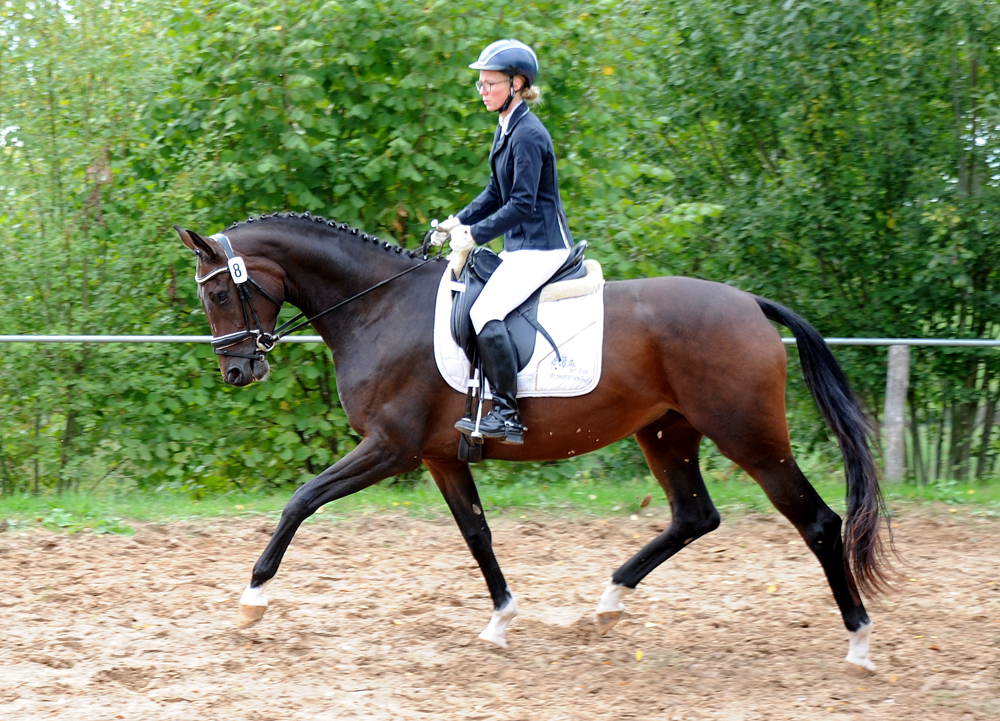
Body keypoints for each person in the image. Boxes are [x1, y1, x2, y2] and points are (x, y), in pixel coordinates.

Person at [435, 39, 574, 445]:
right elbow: (495, 193)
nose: (482, 90)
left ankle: (508, 415)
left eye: (489, 83)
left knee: (484, 312)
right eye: (479, 84)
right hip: (520, 246)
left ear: (516, 83)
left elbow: (522, 203)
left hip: (542, 248)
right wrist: (455, 221)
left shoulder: (528, 134)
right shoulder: (506, 128)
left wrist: (475, 235)